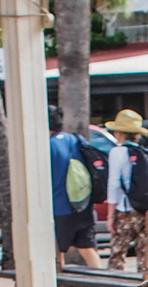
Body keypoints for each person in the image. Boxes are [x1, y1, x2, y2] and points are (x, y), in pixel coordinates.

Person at [48, 107, 99, 272]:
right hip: (83, 204)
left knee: (57, 250)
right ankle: (102, 285)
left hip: (60, 206)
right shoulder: (77, 140)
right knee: (86, 247)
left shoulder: (47, 146)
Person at [105, 109, 148, 275]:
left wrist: (110, 216)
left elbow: (114, 184)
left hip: (125, 210)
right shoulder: (145, 153)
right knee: (145, 257)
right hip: (145, 211)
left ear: (119, 132)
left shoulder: (117, 152)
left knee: (117, 256)